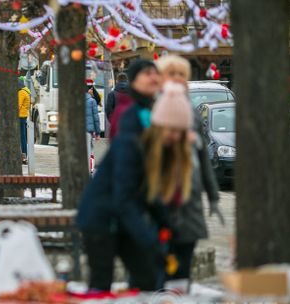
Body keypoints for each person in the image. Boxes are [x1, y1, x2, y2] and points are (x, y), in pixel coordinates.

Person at [76, 81, 194, 292]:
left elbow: (150, 193)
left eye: (180, 132)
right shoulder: (130, 145)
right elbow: (125, 198)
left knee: (146, 278)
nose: (175, 137)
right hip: (99, 218)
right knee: (102, 283)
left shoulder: (159, 150)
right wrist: (148, 239)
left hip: (122, 218)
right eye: (171, 129)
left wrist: (166, 223)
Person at [156, 55, 223, 284]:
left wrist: (213, 197)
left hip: (189, 198)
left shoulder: (192, 112)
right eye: (170, 74)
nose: (176, 80)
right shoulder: (151, 107)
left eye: (181, 75)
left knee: (184, 266)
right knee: (161, 267)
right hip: (160, 199)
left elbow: (203, 156)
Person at [106, 73, 133, 138]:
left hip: (116, 123)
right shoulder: (133, 93)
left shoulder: (111, 94)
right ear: (127, 80)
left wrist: (112, 121)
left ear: (117, 81)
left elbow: (108, 110)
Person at [18, 77, 31, 162]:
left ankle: (23, 155)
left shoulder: (21, 92)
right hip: (24, 116)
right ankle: (24, 155)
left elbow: (17, 105)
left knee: (21, 137)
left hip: (19, 116)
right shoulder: (26, 92)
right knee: (23, 137)